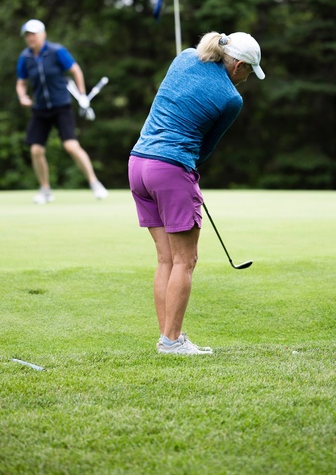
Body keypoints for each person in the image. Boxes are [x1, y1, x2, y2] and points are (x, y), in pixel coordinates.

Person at [128, 31, 266, 355]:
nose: (246, 79)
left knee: (166, 259)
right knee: (185, 260)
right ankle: (172, 341)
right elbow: (205, 148)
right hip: (169, 169)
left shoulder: (185, 57)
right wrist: (185, 173)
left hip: (138, 163)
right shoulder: (232, 99)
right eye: (248, 72)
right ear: (238, 65)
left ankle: (168, 339)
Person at [16, 19, 108, 204]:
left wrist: (82, 94)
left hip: (61, 106)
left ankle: (95, 184)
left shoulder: (57, 51)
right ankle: (45, 190)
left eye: (33, 34)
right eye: (27, 35)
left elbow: (76, 71)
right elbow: (21, 82)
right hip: (40, 108)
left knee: (71, 146)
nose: (30, 38)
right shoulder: (25, 57)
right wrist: (22, 96)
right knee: (36, 149)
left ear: (43, 34)